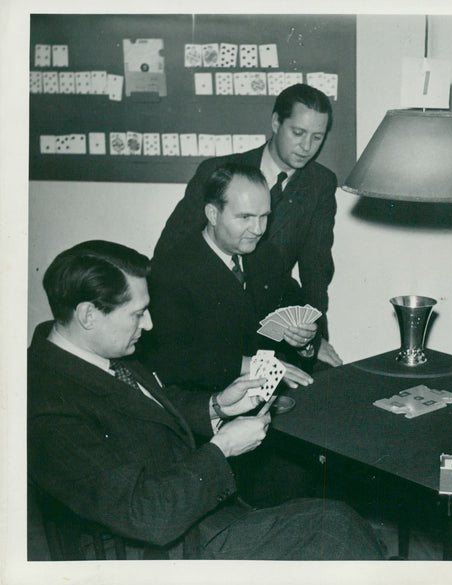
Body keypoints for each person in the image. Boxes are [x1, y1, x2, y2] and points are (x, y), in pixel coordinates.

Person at [27, 240, 384, 560]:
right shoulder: (46, 403)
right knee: (335, 530)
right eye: (137, 313)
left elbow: (151, 411)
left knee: (336, 522)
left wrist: (217, 405)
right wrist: (223, 447)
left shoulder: (101, 356)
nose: (149, 325)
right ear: (88, 315)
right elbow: (144, 517)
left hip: (194, 516)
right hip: (156, 552)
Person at [154, 83, 341, 368]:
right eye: (298, 133)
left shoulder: (321, 183)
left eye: (317, 137)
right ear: (276, 122)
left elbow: (316, 268)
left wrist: (313, 338)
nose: (307, 147)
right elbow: (170, 251)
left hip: (274, 323)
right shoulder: (218, 172)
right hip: (210, 324)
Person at [141, 163, 316, 393]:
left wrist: (305, 342)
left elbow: (298, 308)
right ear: (213, 214)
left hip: (267, 392)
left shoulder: (267, 256)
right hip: (207, 403)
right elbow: (171, 361)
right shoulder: (171, 270)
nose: (258, 229)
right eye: (245, 217)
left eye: (264, 217)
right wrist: (249, 365)